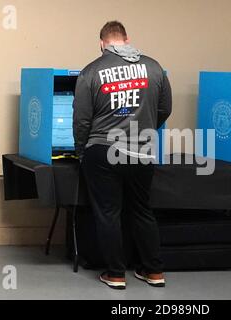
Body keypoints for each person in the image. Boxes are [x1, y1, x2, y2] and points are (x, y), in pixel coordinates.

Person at [73, 21, 172, 290]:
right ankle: (154, 272)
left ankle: (116, 274)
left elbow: (82, 120)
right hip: (142, 151)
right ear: (127, 39)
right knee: (142, 210)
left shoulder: (91, 72)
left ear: (102, 43)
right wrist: (145, 127)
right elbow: (165, 109)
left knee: (108, 213)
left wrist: (82, 150)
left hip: (104, 150)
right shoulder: (154, 68)